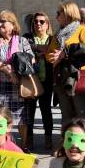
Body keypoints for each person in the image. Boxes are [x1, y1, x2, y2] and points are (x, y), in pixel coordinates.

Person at [0, 10, 35, 151]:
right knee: (2, 117)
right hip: (0, 84)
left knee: (21, 117)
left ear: (13, 25)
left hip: (19, 84)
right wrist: (6, 69)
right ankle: (5, 146)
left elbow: (31, 58)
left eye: (3, 21)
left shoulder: (21, 41)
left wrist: (16, 67)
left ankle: (24, 145)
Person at [47, 2, 85, 123]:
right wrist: (53, 57)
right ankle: (67, 140)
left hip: (79, 78)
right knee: (67, 116)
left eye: (59, 13)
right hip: (61, 78)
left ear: (68, 14)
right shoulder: (58, 34)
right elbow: (49, 55)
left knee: (82, 115)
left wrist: (64, 54)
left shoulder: (82, 29)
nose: (56, 16)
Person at [23, 12, 56, 151]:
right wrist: (41, 51)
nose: (38, 24)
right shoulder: (26, 38)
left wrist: (40, 51)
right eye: (36, 21)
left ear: (47, 24)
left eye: (42, 21)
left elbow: (54, 55)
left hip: (47, 80)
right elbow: (24, 54)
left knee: (46, 110)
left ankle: (48, 138)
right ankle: (28, 139)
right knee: (29, 111)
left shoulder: (52, 39)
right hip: (30, 79)